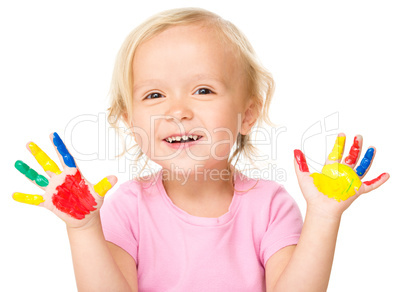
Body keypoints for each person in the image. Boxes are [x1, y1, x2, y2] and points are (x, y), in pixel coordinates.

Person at [12, 7, 389, 292]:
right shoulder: (127, 206)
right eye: (155, 94)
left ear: (247, 115)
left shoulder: (270, 206)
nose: (177, 111)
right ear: (129, 121)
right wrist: (84, 229)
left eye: (203, 90)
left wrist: (323, 216)